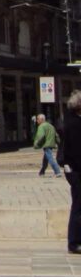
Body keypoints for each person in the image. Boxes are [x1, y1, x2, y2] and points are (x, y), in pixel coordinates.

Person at [56, 89, 81, 253]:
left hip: (73, 169)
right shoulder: (74, 124)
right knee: (78, 206)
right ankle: (74, 242)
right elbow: (75, 151)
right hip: (76, 170)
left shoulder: (71, 120)